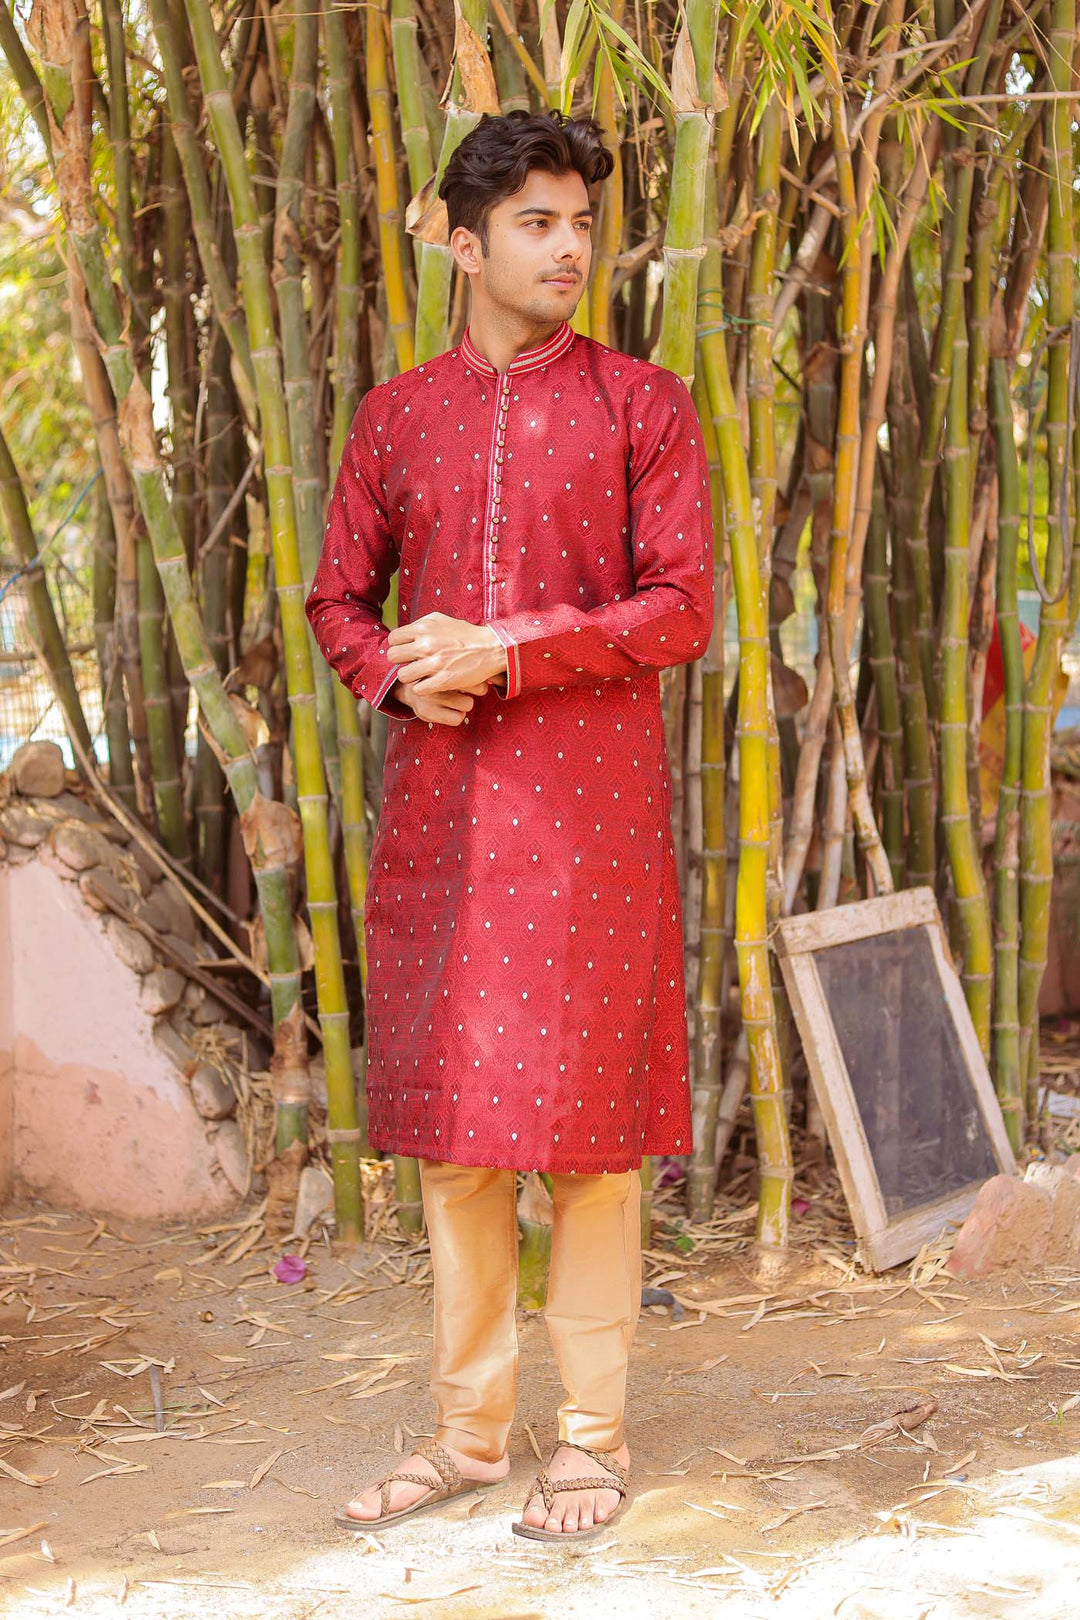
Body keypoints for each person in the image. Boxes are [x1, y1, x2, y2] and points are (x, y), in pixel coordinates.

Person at [306, 108, 713, 1542]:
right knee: (460, 1144)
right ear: (463, 243)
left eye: (582, 223)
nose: (568, 249)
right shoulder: (397, 416)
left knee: (593, 1144)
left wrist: (510, 647)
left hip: (590, 817)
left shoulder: (640, 405)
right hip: (444, 814)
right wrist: (397, 676)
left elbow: (681, 611)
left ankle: (591, 1443)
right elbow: (336, 600)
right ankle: (472, 1436)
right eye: (537, 223)